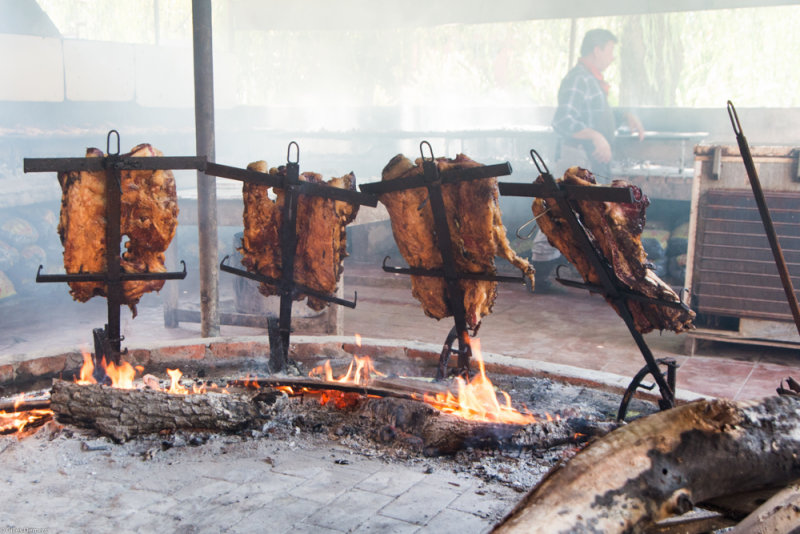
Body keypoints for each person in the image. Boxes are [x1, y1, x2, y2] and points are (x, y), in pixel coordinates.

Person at [532, 28, 644, 292]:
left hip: (587, 160)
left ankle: (599, 277)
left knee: (584, 217)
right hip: (574, 157)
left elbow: (593, 114)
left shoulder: (592, 81)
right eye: (610, 50)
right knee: (558, 213)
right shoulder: (578, 79)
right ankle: (539, 276)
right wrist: (595, 136)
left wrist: (623, 116)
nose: (612, 57)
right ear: (597, 50)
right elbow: (563, 120)